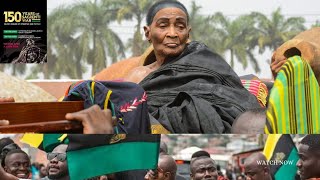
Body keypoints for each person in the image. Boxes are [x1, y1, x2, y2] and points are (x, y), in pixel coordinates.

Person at [127, 0, 260, 133]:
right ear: (147, 32)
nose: (173, 33)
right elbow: (126, 115)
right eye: (163, 26)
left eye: (180, 26)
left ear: (188, 32)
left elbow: (240, 103)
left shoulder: (208, 62)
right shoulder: (137, 76)